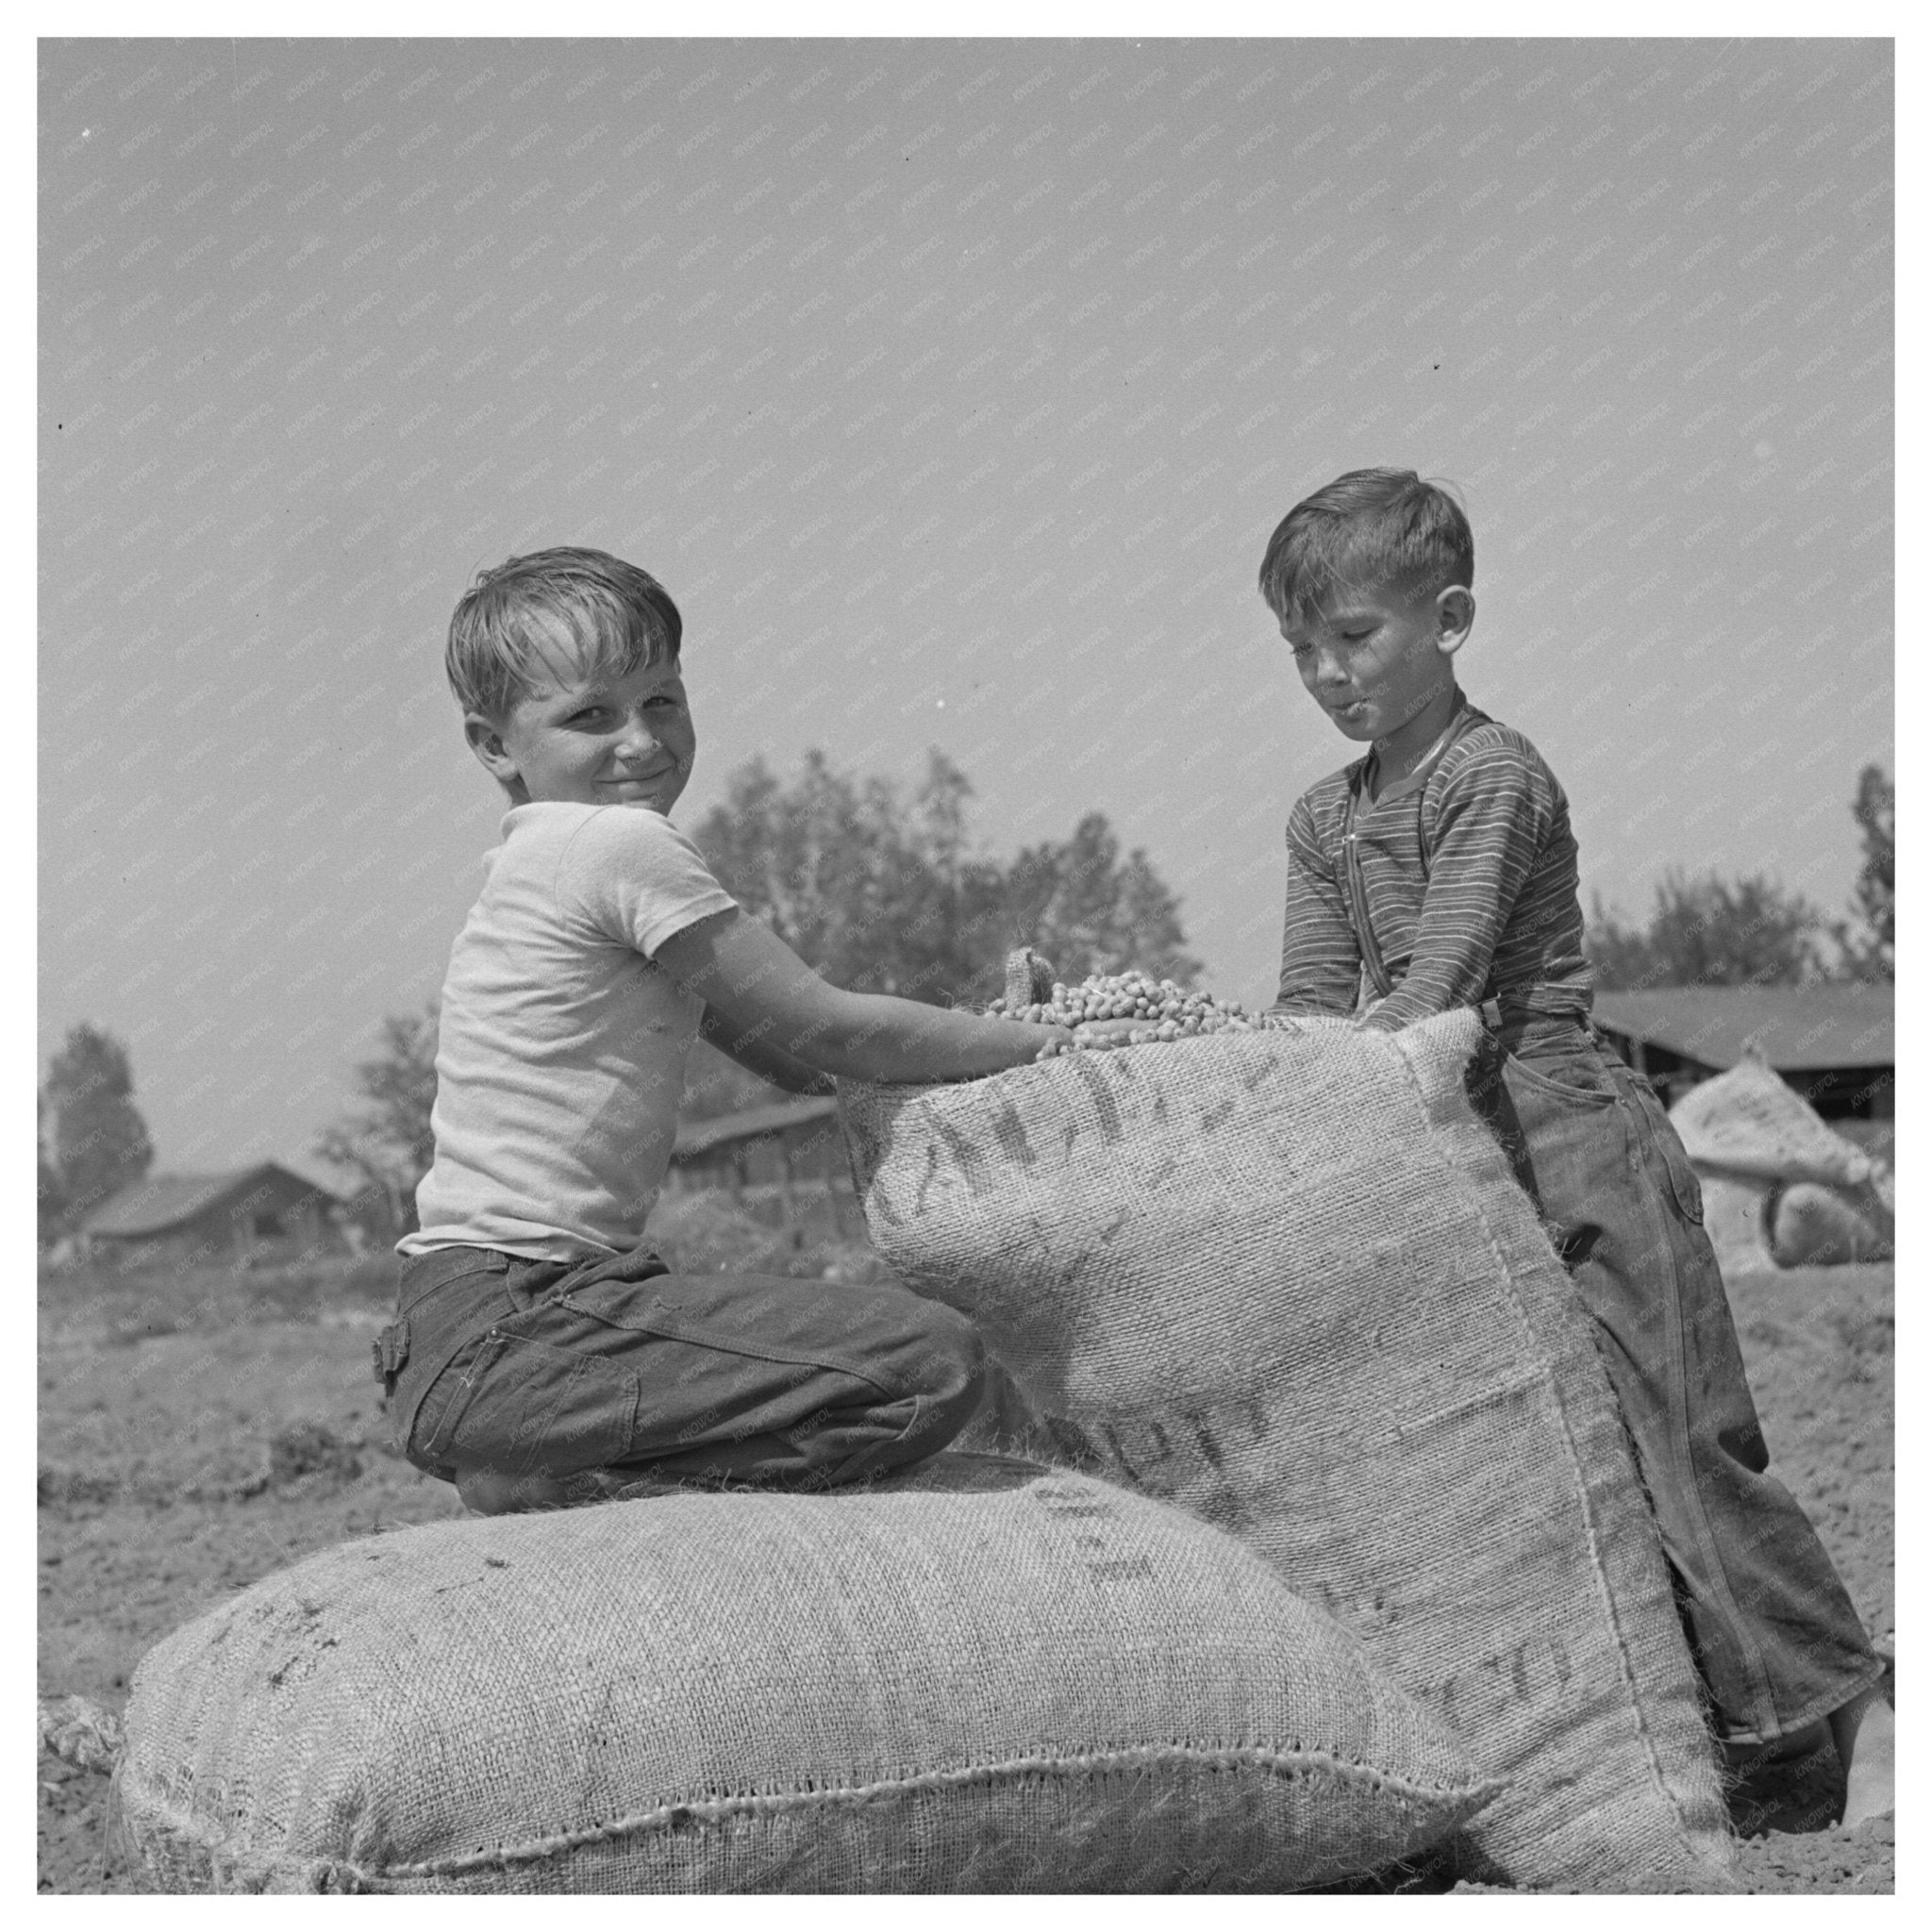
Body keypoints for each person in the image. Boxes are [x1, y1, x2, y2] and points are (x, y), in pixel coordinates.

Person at [1251, 467, 1892, 1825]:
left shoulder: (1492, 772)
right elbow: (1310, 1006)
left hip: (1570, 1129)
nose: (1324, 673)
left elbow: (1446, 970)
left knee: (1682, 1444)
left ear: (1449, 620)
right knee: (1544, 1467)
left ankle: (1860, 1718)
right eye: (1299, 648)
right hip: (1450, 1158)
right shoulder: (1321, 820)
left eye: (1352, 637)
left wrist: (1357, 1052)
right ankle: (1683, 1743)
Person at [377, 547, 1071, 1519]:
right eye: (591, 715)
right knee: (932, 1361)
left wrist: (975, 1036)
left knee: (894, 1362)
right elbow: (825, 1028)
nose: (640, 740)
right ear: (494, 746)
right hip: (528, 1321)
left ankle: (538, 1465)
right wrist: (1046, 1046)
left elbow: (792, 1060)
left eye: (662, 700)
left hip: (460, 1332)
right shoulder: (616, 846)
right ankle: (556, 1479)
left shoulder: (538, 864)